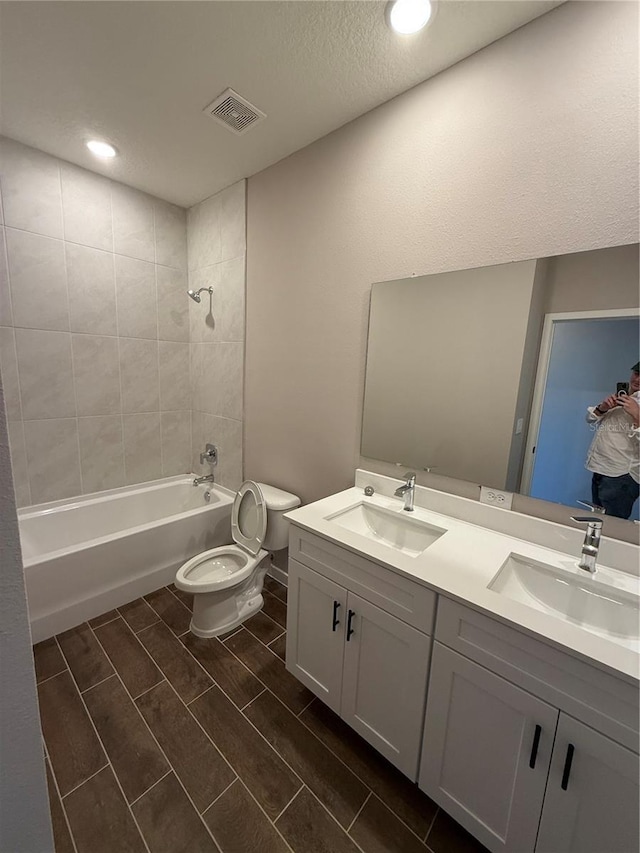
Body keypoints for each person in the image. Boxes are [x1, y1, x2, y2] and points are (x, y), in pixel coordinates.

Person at [585, 362, 640, 519]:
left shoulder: (635, 405)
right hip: (601, 468)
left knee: (613, 528)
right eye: (636, 373)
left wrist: (637, 415)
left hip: (622, 476)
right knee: (597, 520)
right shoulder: (623, 397)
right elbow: (590, 419)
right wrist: (602, 408)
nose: (638, 379)